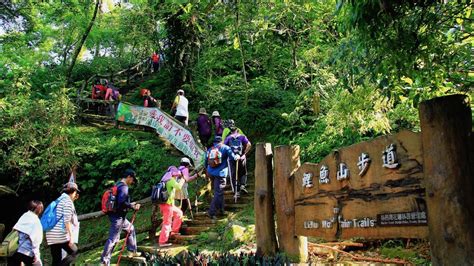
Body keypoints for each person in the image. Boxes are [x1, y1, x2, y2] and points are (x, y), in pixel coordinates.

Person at [100, 169, 141, 265]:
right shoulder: (124, 187)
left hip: (116, 215)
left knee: (130, 229)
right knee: (113, 239)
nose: (132, 182)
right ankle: (104, 262)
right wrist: (132, 206)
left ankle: (132, 251)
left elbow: (119, 201)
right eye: (132, 179)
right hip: (118, 217)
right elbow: (121, 203)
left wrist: (130, 204)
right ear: (129, 177)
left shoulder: (118, 184)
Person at [46, 182, 80, 266]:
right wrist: (71, 237)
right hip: (60, 234)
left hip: (51, 233)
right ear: (74, 191)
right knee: (74, 251)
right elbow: (67, 220)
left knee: (56, 258)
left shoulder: (59, 200)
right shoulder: (67, 201)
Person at [205, 136, 240, 219]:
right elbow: (233, 158)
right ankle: (211, 212)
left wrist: (207, 170)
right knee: (218, 192)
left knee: (218, 191)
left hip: (211, 173)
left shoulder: (210, 149)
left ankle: (221, 209)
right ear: (221, 141)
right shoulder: (226, 148)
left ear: (214, 142)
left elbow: (206, 161)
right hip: (220, 173)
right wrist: (237, 156)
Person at [158, 165, 186, 247]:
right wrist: (183, 179)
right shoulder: (170, 180)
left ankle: (174, 231)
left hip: (167, 205)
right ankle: (162, 242)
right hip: (167, 205)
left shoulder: (165, 179)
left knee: (179, 213)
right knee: (167, 223)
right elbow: (178, 187)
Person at [9, 200, 44, 266]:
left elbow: (14, 229)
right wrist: (37, 256)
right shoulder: (36, 221)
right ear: (40, 210)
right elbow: (36, 241)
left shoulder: (24, 216)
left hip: (15, 250)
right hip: (27, 252)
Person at [224, 125, 252, 197]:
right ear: (237, 131)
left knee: (233, 175)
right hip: (241, 157)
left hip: (231, 159)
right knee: (243, 172)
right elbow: (249, 144)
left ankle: (237, 192)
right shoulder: (242, 137)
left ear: (231, 132)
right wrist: (244, 154)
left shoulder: (228, 138)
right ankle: (242, 185)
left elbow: (224, 147)